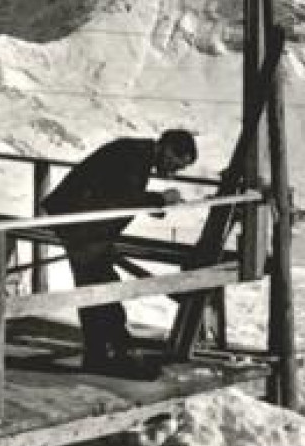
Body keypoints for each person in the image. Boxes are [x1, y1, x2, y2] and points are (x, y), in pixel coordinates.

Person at [40, 130, 199, 376]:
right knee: (97, 289)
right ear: (168, 149)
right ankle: (107, 354)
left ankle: (103, 353)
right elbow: (122, 198)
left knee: (97, 288)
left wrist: (158, 203)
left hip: (86, 225)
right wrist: (159, 200)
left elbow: (122, 196)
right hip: (79, 224)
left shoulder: (139, 155)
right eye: (176, 165)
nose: (173, 172)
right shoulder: (133, 157)